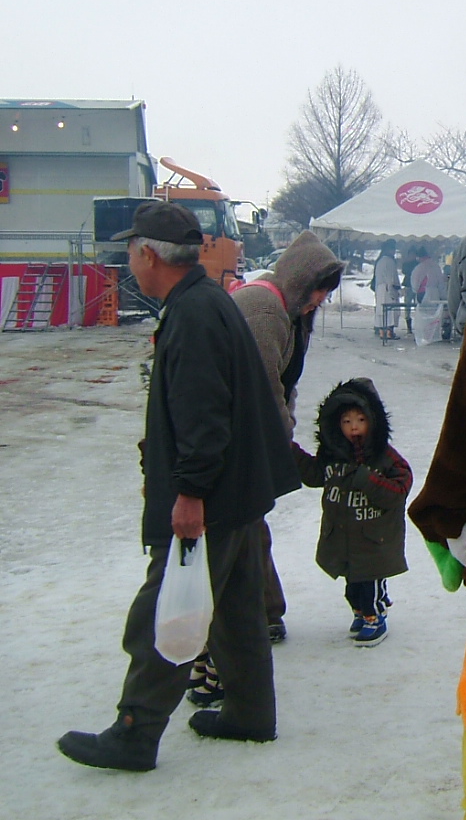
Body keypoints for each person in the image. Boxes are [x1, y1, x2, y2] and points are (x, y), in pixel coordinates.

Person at [57, 201, 300, 772]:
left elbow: (203, 415)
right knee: (238, 608)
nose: (129, 261)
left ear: (147, 254)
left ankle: (135, 732)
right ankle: (249, 712)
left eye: (130, 251)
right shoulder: (208, 300)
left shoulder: (192, 313)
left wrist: (189, 494)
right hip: (239, 493)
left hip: (211, 497)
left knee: (165, 607)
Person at [184, 231, 345, 707]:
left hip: (240, 443)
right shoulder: (262, 307)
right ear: (302, 279)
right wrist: (281, 440)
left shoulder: (285, 310)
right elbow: (262, 387)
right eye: (320, 289)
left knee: (246, 534)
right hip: (231, 446)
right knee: (231, 542)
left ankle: (259, 618)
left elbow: (280, 384)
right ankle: (211, 650)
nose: (322, 300)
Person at [294, 378, 412, 646]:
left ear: (373, 421)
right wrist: (292, 453)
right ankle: (360, 612)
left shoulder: (384, 456)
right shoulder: (334, 455)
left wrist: (366, 479)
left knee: (369, 583)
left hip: (374, 538)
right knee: (352, 586)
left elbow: (400, 487)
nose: (354, 427)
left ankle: (374, 616)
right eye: (347, 422)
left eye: (360, 419)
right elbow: (315, 475)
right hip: (344, 535)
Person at [373, 239, 402, 340]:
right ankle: (389, 332)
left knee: (382, 311)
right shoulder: (389, 261)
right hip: (387, 289)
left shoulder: (379, 261)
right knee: (390, 312)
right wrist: (394, 291)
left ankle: (382, 332)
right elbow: (391, 278)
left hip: (380, 289)